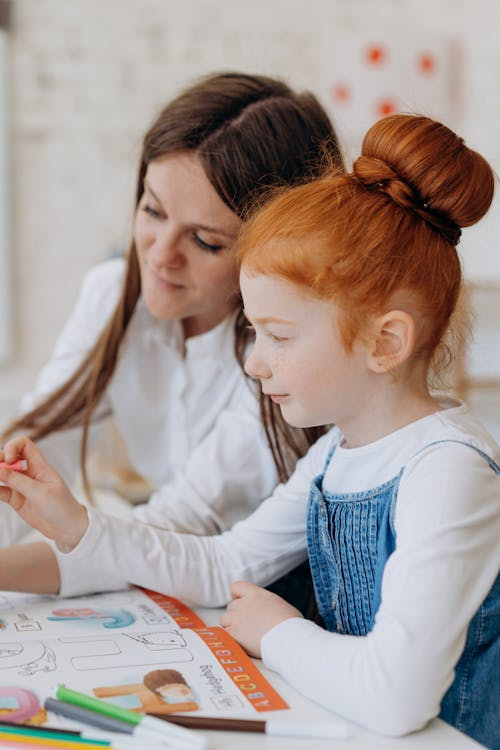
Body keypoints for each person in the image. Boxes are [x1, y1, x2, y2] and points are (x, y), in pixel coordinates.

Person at [1, 113, 498, 747]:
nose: (253, 361)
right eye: (254, 332)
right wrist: (76, 524)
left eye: (279, 337)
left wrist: (280, 633)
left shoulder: (446, 471)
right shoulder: (339, 453)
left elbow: (397, 694)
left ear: (386, 341)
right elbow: (224, 560)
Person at [0, 71, 343, 609]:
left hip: (268, 598)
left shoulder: (281, 358)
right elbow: (38, 441)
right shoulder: (113, 295)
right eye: (152, 210)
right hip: (170, 582)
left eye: (205, 241)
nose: (160, 254)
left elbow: (181, 530)